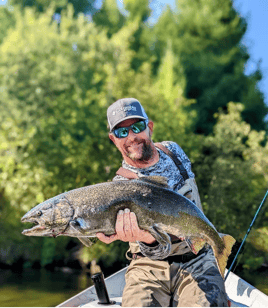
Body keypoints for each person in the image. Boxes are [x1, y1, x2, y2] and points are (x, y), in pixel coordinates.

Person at [96, 98, 229, 307]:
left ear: (149, 127)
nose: (131, 136)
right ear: (113, 139)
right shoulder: (120, 186)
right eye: (122, 132)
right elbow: (154, 250)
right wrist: (144, 237)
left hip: (197, 259)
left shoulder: (173, 152)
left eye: (137, 127)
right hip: (147, 267)